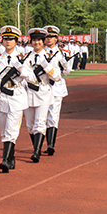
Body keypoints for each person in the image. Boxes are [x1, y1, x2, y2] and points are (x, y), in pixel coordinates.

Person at [0, 26, 34, 172]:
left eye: (11, 39)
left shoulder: (23, 59)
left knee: (11, 130)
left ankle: (5, 160)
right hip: (0, 97)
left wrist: (22, 70)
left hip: (16, 97)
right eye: (6, 39)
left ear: (16, 41)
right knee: (3, 130)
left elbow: (32, 78)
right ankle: (11, 156)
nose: (8, 41)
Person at [22, 28, 61, 163]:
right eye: (34, 40)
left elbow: (57, 76)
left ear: (43, 41)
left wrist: (46, 66)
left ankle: (36, 151)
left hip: (44, 92)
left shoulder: (50, 57)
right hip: (28, 93)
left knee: (40, 123)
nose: (36, 42)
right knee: (30, 124)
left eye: (39, 40)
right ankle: (36, 146)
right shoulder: (26, 57)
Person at [43, 25, 72, 156]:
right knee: (41, 117)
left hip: (56, 88)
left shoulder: (62, 53)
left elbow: (67, 72)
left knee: (53, 116)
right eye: (47, 37)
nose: (49, 39)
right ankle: (39, 144)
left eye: (52, 37)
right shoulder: (39, 53)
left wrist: (64, 64)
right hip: (42, 88)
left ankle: (50, 145)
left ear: (56, 39)